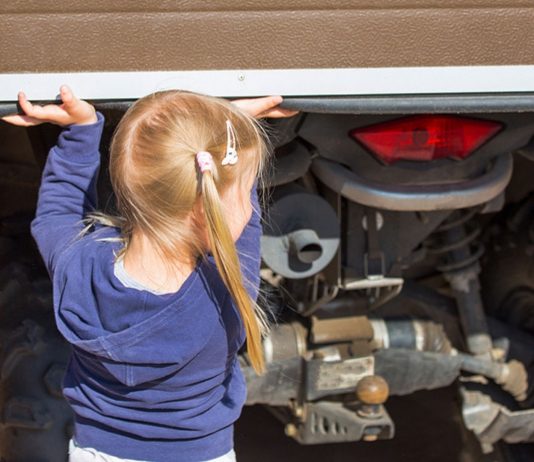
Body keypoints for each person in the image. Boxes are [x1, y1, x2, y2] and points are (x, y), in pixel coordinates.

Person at [1, 86, 297, 462]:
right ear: (209, 209)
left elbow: (56, 215)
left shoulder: (80, 268)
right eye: (243, 192)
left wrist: (82, 130)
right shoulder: (225, 295)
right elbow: (245, 230)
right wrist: (229, 128)